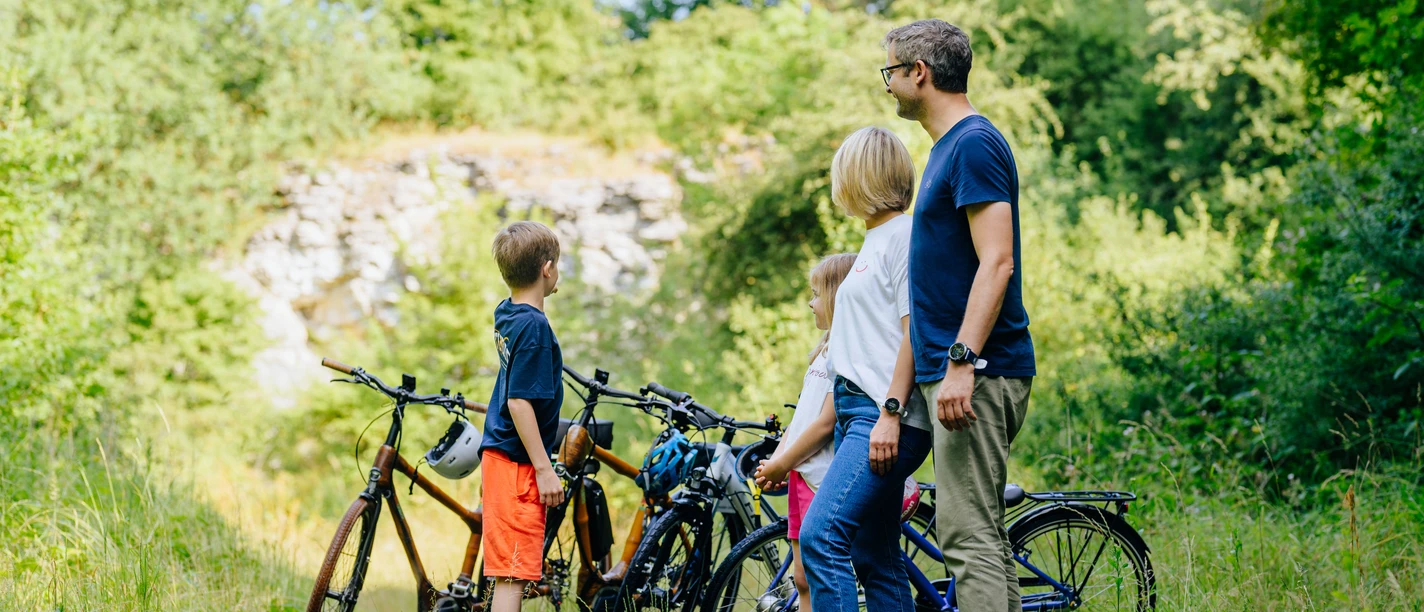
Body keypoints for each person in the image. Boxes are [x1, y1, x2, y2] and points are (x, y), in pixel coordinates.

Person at [882, 19, 1036, 612]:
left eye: (890, 72)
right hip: (956, 370)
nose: (888, 84)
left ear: (919, 73)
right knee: (982, 536)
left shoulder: (972, 143)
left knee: (967, 537)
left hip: (978, 371)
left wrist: (962, 361)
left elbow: (997, 262)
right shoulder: (948, 148)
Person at [797, 126, 935, 612]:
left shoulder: (904, 236)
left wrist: (891, 413)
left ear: (860, 176)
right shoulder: (874, 241)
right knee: (874, 554)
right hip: (861, 413)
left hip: (882, 415)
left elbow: (913, 331)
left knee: (820, 537)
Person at [754, 252, 857, 612]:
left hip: (822, 476)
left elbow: (825, 424)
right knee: (800, 578)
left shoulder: (845, 353)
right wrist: (778, 461)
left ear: (836, 296)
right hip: (802, 473)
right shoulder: (821, 351)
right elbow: (802, 418)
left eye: (815, 294)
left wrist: (784, 463)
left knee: (820, 572)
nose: (811, 303)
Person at [479, 221, 568, 612]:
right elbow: (519, 402)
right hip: (517, 464)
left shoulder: (508, 311)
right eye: (557, 265)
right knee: (512, 576)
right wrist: (544, 468)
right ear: (547, 269)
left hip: (502, 459)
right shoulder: (533, 327)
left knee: (509, 572)